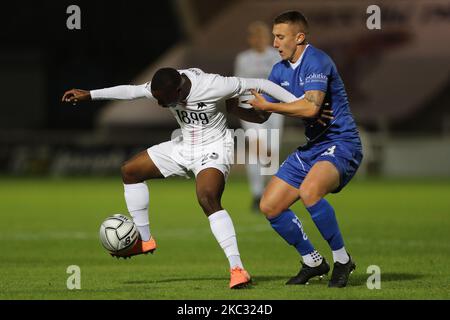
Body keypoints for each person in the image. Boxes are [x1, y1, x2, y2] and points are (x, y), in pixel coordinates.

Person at [62, 67, 297, 289]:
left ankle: (237, 268)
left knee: (207, 198)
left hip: (213, 149)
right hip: (183, 146)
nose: (159, 103)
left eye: (163, 99)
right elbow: (131, 91)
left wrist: (300, 103)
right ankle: (145, 240)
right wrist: (90, 95)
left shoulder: (213, 85)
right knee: (130, 171)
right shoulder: (165, 86)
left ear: (178, 90)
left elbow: (262, 84)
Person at [248, 11, 363, 288]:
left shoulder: (316, 60)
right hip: (313, 147)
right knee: (270, 206)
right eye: (274, 36)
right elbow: (263, 114)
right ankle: (312, 261)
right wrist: (230, 106)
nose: (274, 43)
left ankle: (342, 259)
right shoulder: (279, 70)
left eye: (280, 37)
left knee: (310, 191)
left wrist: (270, 105)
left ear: (299, 37)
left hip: (341, 142)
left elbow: (310, 107)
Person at [234, 21, 283, 212]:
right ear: (250, 39)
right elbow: (237, 85)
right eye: (255, 36)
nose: (259, 40)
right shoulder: (243, 59)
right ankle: (256, 193)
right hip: (250, 109)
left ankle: (272, 193)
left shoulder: (276, 56)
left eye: (262, 36)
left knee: (272, 151)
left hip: (274, 108)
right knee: (257, 148)